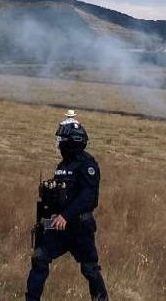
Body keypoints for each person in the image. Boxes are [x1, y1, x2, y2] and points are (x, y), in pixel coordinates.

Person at [26, 120, 108, 300]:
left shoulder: (88, 165)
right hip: (59, 226)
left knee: (89, 269)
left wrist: (66, 215)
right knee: (39, 258)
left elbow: (88, 197)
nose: (59, 144)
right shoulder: (62, 166)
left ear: (72, 142)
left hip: (80, 227)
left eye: (62, 140)